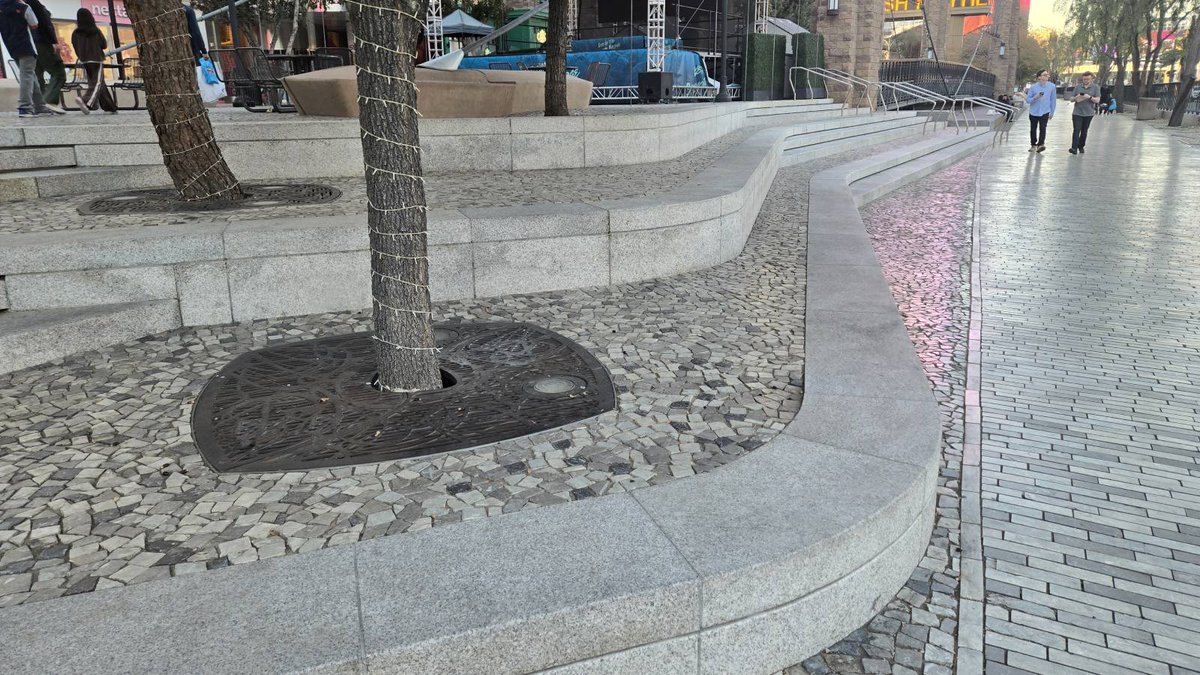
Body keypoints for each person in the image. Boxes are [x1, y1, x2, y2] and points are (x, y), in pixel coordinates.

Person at [0, 0, 59, 117]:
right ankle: (25, 107)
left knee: (30, 75)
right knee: (26, 76)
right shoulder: (24, 7)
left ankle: (39, 106)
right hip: (26, 45)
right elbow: (34, 24)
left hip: (11, 46)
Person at [70, 8, 116, 114]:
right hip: (96, 59)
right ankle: (85, 100)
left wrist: (81, 56)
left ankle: (110, 106)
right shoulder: (95, 31)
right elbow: (104, 45)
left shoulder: (75, 33)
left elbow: (75, 46)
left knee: (98, 82)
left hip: (85, 60)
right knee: (98, 83)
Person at [25, 0, 65, 113]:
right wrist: (53, 42)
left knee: (37, 76)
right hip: (42, 43)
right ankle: (48, 101)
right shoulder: (36, 6)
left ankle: (38, 106)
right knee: (59, 72)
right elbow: (46, 25)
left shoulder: (20, 7)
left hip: (29, 45)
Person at [1069, 72, 1101, 154]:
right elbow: (1071, 99)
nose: (1085, 80)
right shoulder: (1078, 87)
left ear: (1091, 79)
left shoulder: (1095, 87)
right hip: (1077, 112)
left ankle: (1081, 146)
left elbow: (1097, 100)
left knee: (1084, 131)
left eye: (1087, 79)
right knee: (1076, 130)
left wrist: (1089, 97)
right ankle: (1074, 148)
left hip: (1089, 113)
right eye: (1084, 79)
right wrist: (1076, 97)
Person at [1025, 69, 1056, 153]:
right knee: (1033, 129)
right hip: (1034, 111)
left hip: (1045, 111)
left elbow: (1053, 100)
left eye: (1047, 75)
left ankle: (1041, 144)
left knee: (1043, 128)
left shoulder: (1052, 86)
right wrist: (1036, 97)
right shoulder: (1033, 87)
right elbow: (1027, 100)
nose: (1047, 76)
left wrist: (1052, 112)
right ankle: (1033, 145)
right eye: (1045, 75)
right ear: (1039, 77)